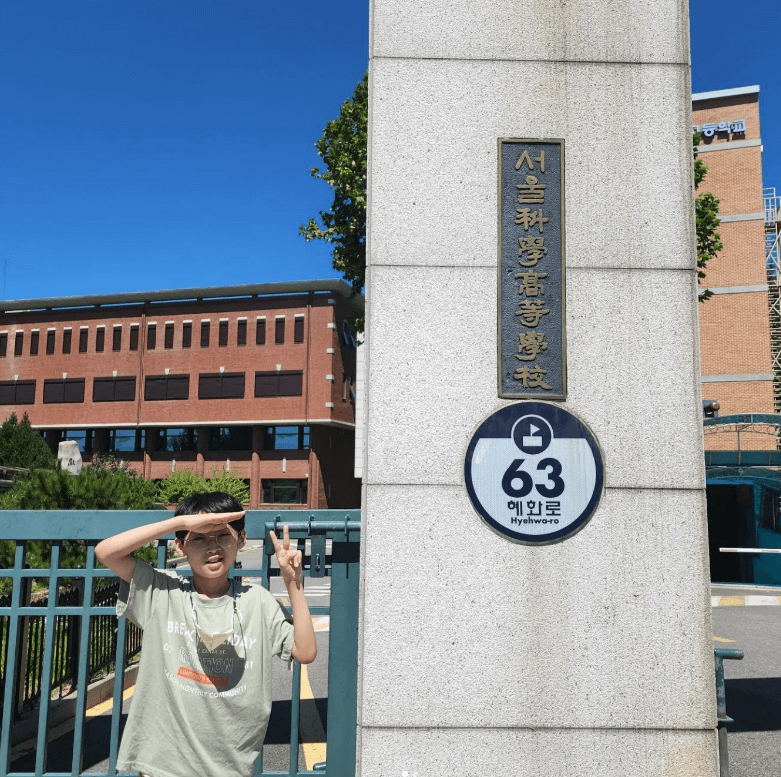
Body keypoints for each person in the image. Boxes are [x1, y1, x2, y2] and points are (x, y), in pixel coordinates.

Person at [95, 491, 317, 777]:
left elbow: (305, 651)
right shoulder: (162, 592)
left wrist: (293, 583)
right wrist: (181, 522)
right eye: (199, 538)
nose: (212, 547)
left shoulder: (257, 601)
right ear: (179, 547)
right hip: (163, 765)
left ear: (240, 539)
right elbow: (106, 552)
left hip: (230, 766)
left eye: (222, 536)